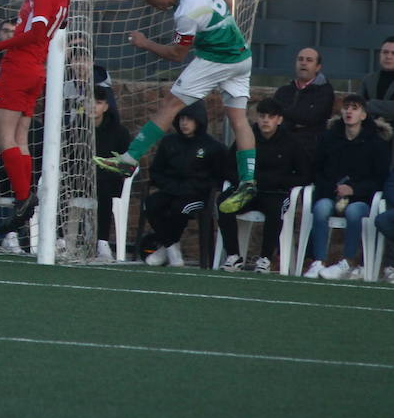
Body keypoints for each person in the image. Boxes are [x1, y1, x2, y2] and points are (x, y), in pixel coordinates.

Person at [95, 0, 259, 215]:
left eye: (152, 3)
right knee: (238, 119)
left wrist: (144, 43)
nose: (155, 8)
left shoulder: (185, 14)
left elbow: (176, 54)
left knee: (170, 105)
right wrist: (223, 21)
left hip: (216, 59)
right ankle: (248, 180)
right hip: (242, 56)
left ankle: (128, 161)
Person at [0, 0, 73, 239]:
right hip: (36, 71)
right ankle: (25, 196)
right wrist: (32, 2)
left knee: (3, 135)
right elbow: (58, 22)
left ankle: (23, 199)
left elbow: (36, 32)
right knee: (20, 138)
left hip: (18, 67)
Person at [302, 95, 392, 281]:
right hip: (330, 194)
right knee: (320, 208)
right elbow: (317, 170)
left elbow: (379, 179)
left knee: (354, 212)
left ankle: (349, 262)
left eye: (355, 108)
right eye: (346, 107)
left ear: (363, 115)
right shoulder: (329, 138)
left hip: (361, 199)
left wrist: (354, 190)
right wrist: (334, 189)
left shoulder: (376, 143)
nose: (349, 111)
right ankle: (318, 261)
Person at [217, 97, 311, 273]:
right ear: (257, 118)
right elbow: (228, 168)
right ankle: (233, 256)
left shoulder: (291, 143)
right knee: (224, 204)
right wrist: (244, 180)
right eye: (262, 116)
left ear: (279, 119)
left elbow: (304, 175)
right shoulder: (246, 138)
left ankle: (265, 258)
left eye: (271, 116)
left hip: (275, 193)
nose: (266, 120)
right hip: (247, 191)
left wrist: (279, 181)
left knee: (275, 211)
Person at [141, 102, 227, 267]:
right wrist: (169, 186)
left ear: (199, 121)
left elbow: (218, 177)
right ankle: (171, 248)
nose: (184, 123)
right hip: (170, 190)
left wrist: (197, 187)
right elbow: (156, 171)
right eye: (181, 118)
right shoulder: (169, 142)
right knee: (151, 204)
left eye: (189, 119)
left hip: (196, 194)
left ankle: (167, 251)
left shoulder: (213, 147)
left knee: (179, 208)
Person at [271, 47, 335, 158]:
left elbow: (312, 118)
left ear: (318, 67)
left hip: (310, 148)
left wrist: (285, 112)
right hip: (280, 143)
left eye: (309, 60)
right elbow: (273, 116)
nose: (303, 63)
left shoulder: (325, 91)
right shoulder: (284, 91)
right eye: (300, 59)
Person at [91, 86, 130, 260]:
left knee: (103, 189)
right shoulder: (75, 130)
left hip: (108, 181)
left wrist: (110, 166)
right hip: (82, 181)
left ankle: (102, 242)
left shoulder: (120, 132)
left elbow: (128, 166)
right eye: (89, 101)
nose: (93, 106)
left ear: (106, 106)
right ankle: (61, 240)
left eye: (98, 102)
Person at [358, 37, 394, 121]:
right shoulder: (369, 79)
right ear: (380, 54)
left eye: (393, 53)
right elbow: (357, 105)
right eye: (385, 52)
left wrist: (370, 104)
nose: (388, 56)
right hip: (370, 130)